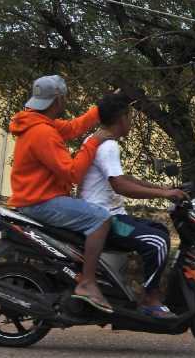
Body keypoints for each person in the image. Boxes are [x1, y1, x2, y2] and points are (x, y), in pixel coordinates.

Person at [7, 75, 115, 313]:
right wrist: (94, 142)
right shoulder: (42, 133)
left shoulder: (37, 123)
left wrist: (104, 107)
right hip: (42, 202)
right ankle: (87, 283)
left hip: (33, 198)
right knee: (101, 219)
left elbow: (73, 127)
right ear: (58, 100)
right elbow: (72, 173)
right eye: (64, 98)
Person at [80, 93, 187, 319]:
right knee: (158, 242)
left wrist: (163, 188)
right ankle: (150, 300)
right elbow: (120, 186)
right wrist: (163, 194)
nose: (131, 121)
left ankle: (136, 289)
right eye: (130, 117)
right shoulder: (108, 146)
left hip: (108, 215)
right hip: (106, 220)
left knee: (160, 230)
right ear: (122, 118)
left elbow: (123, 178)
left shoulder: (96, 140)